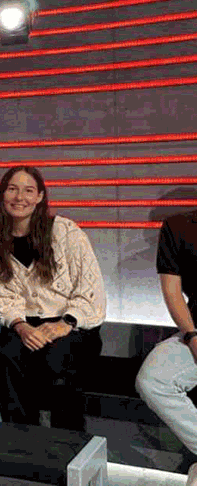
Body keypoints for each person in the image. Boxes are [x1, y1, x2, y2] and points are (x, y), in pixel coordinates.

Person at [0, 166, 106, 430]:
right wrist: (21, 326)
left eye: (28, 190)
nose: (19, 197)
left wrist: (64, 324)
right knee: (6, 354)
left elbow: (90, 290)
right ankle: (22, 441)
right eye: (12, 189)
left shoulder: (66, 231)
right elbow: (1, 298)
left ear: (39, 197)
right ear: (2, 195)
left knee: (58, 358)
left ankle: (68, 443)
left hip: (72, 325)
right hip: (25, 325)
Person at [135, 208, 197, 486]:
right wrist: (192, 336)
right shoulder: (178, 225)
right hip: (195, 329)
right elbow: (172, 291)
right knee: (153, 379)